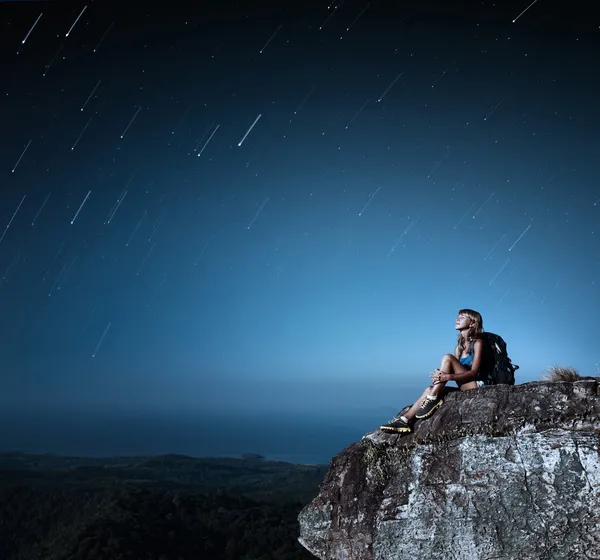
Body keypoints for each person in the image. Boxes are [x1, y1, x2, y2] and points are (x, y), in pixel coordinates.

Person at [380, 308, 492, 434]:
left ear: (472, 323)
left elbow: (474, 372)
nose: (457, 319)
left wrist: (447, 377)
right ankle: (404, 420)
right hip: (465, 385)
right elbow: (457, 372)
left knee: (447, 358)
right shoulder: (459, 347)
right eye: (457, 316)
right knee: (429, 389)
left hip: (478, 385)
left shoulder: (478, 342)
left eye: (462, 317)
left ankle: (432, 399)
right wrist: (441, 375)